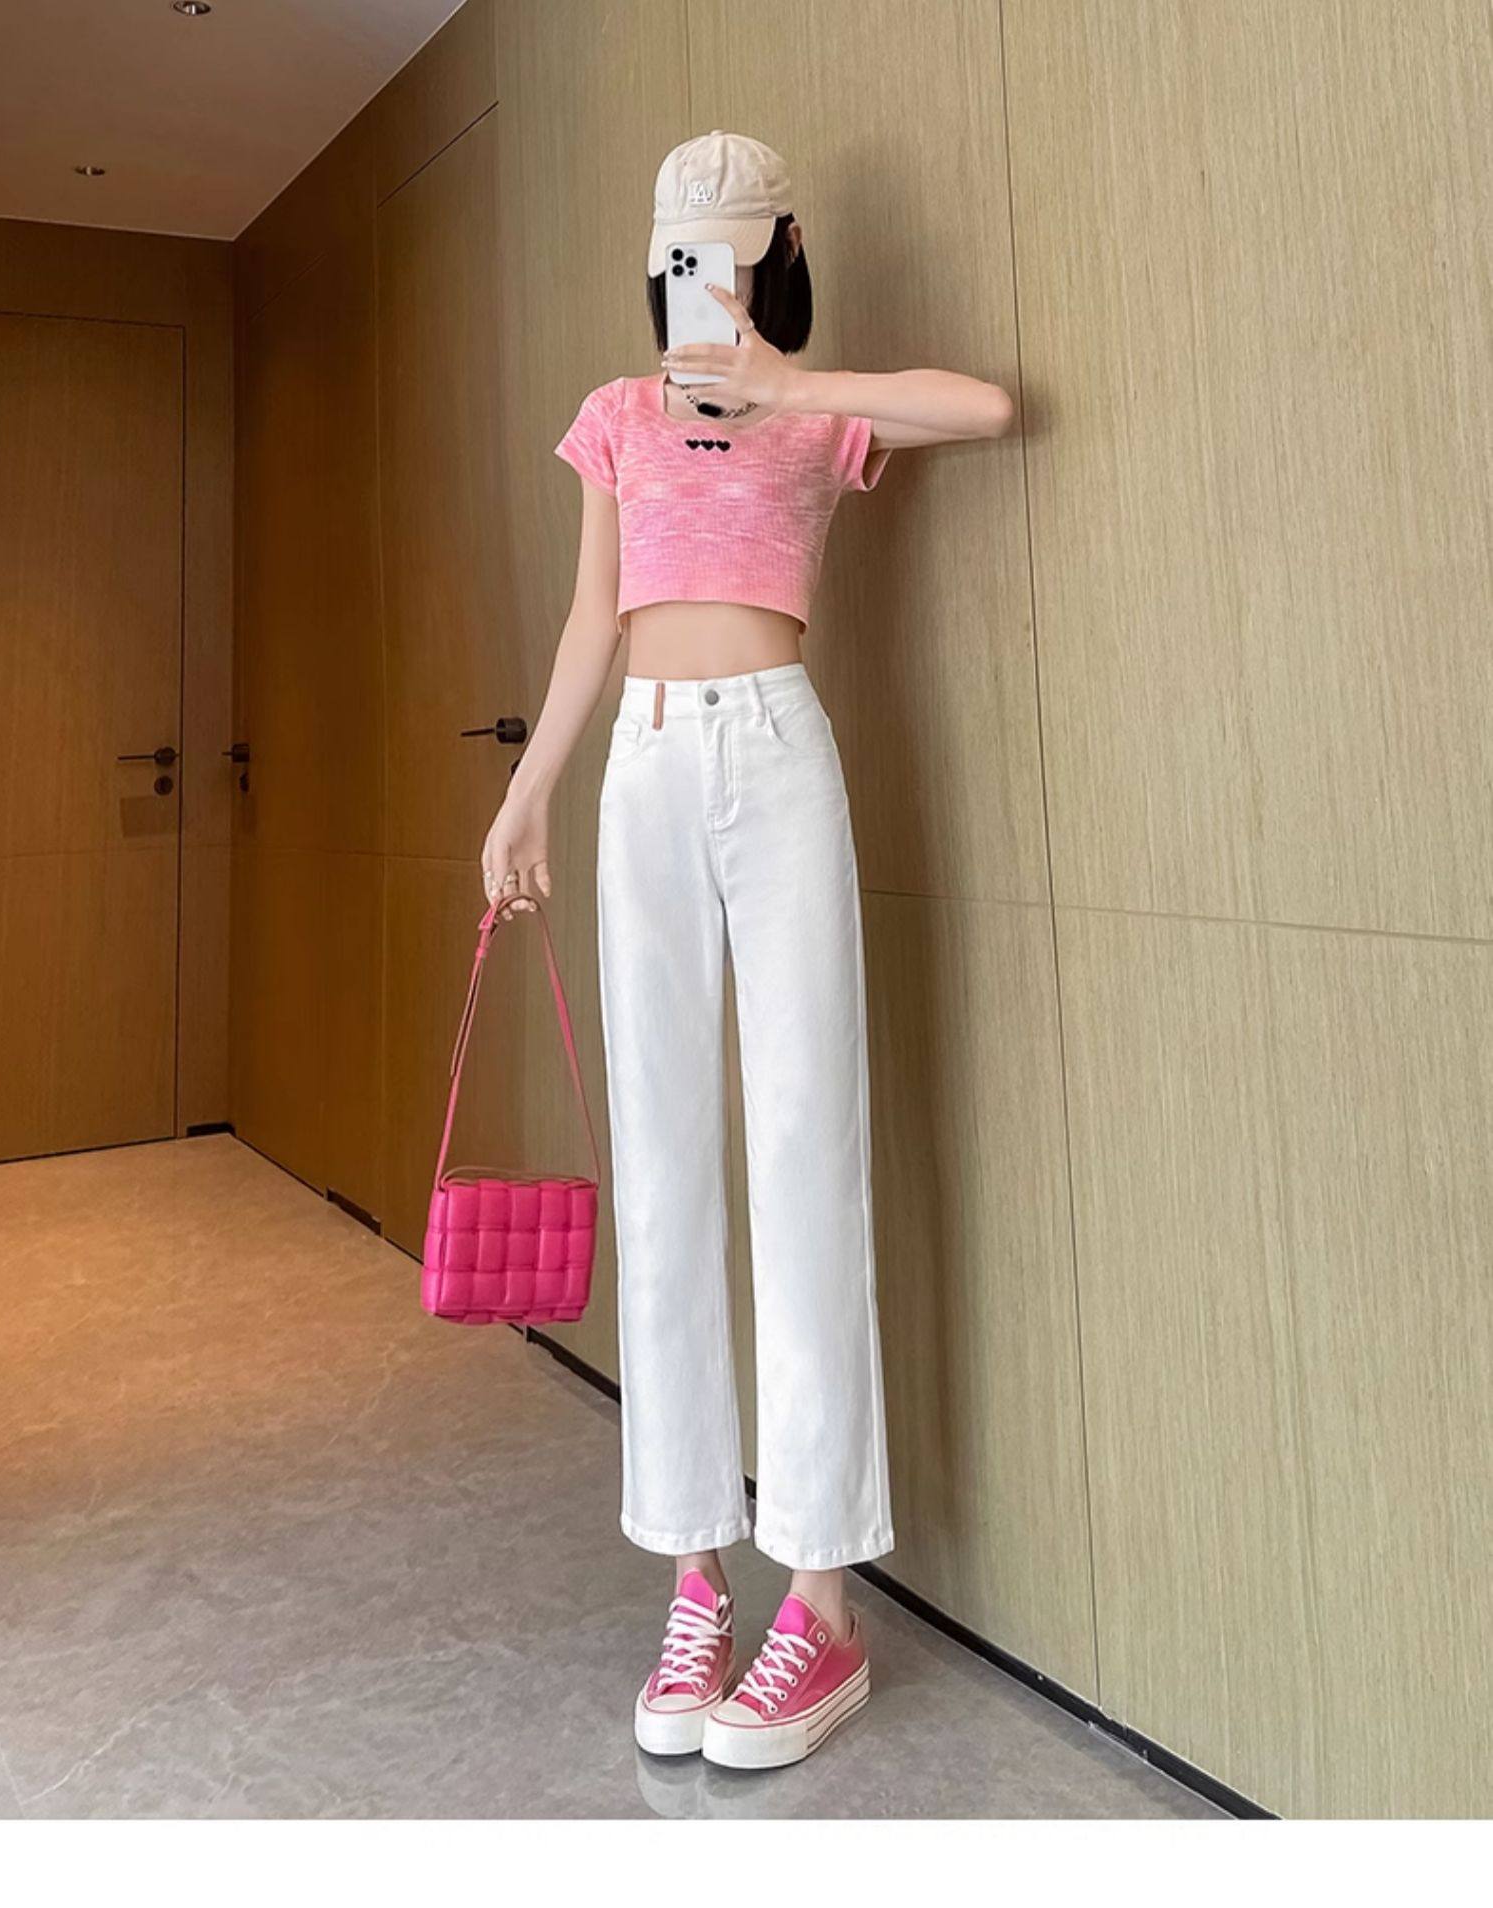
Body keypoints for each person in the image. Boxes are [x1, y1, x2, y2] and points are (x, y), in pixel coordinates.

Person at [481, 130, 1014, 1770]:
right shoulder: (617, 416)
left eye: (718, 258)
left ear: (769, 258)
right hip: (643, 766)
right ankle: (694, 1578)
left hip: (779, 753)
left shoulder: (815, 412)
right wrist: (527, 795)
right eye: (673, 261)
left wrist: (788, 384)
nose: (689, 291)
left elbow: (988, 409)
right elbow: (592, 618)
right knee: (665, 1163)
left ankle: (822, 1601)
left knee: (801, 1147)